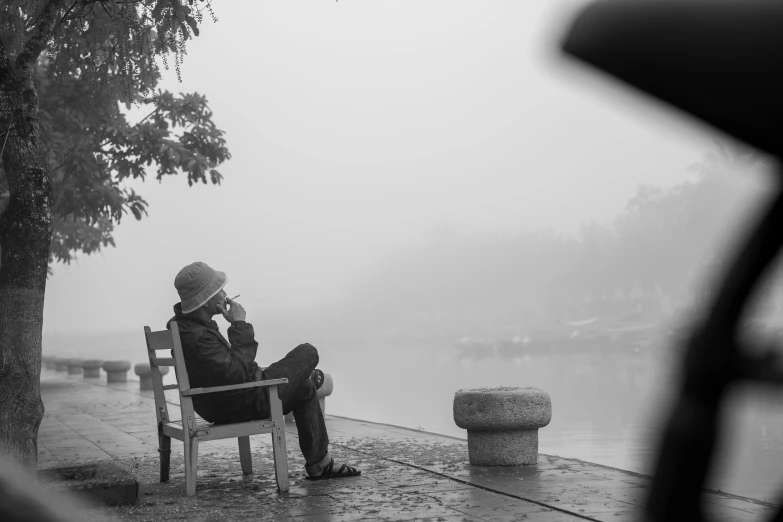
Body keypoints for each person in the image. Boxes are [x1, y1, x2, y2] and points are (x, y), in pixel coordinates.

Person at [167, 261, 361, 479]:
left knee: (304, 388)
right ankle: (307, 379)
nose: (225, 293)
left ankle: (319, 464)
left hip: (219, 400)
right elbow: (238, 373)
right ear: (205, 300)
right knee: (308, 352)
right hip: (237, 402)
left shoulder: (187, 327)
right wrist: (239, 324)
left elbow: (230, 368)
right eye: (219, 290)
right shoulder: (199, 337)